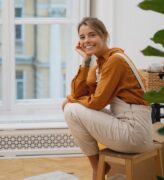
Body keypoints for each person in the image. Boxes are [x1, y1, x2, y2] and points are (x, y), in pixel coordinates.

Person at [62, 17, 153, 180]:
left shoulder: (115, 61)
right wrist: (85, 61)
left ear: (104, 35)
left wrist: (70, 100)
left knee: (71, 110)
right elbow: (79, 94)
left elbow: (96, 103)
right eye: (82, 37)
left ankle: (97, 169)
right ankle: (99, 167)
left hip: (135, 132)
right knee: (72, 107)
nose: (86, 41)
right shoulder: (99, 65)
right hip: (125, 124)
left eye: (92, 35)